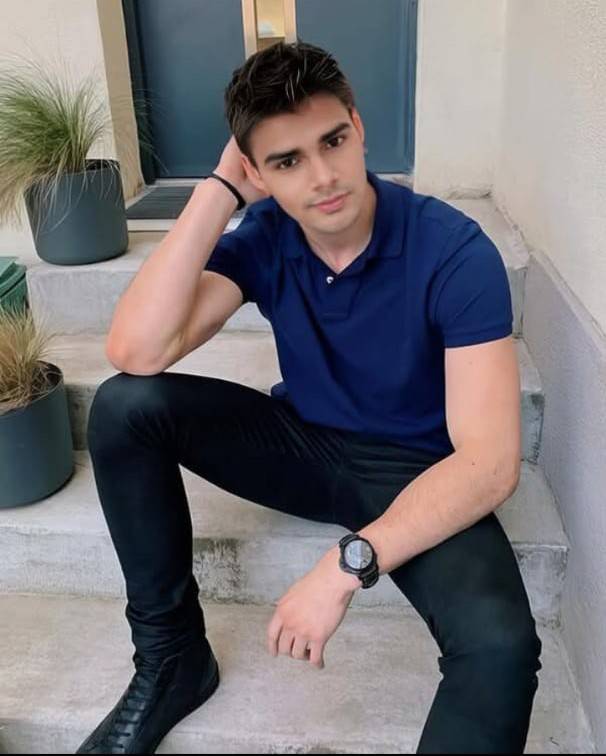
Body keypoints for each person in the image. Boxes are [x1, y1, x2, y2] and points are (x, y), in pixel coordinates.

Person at [76, 40, 542, 755]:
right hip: (306, 445)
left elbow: (489, 464)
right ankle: (171, 660)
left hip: (418, 471)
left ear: (359, 128)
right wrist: (219, 191)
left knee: (502, 649)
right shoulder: (269, 235)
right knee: (123, 408)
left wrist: (346, 565)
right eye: (287, 161)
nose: (323, 178)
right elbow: (139, 350)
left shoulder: (453, 252)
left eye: (333, 142)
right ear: (258, 173)